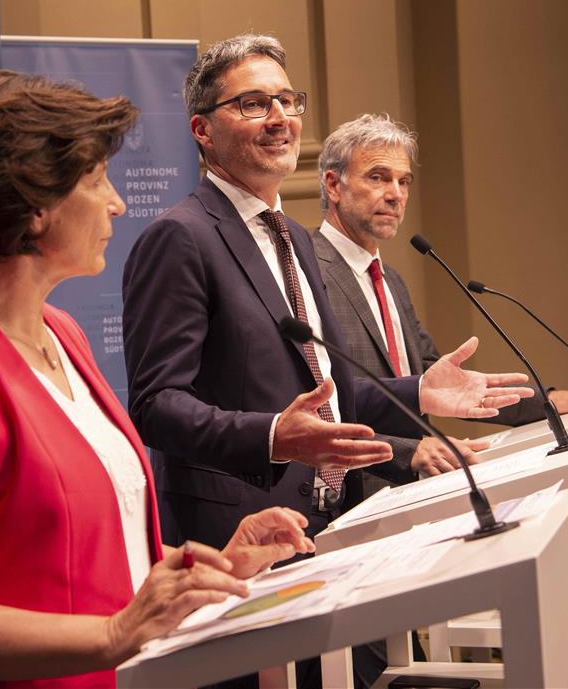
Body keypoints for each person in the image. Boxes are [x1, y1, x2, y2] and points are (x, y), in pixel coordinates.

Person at [0, 69, 316, 689]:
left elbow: (76, 553)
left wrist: (212, 566)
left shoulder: (62, 331)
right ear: (33, 202)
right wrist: (112, 636)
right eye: (96, 180)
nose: (117, 202)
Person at [121, 35, 533, 686]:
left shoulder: (295, 239)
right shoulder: (181, 237)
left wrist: (419, 392)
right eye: (253, 104)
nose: (279, 118)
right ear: (202, 130)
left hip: (327, 527)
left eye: (288, 101)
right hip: (236, 537)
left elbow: (329, 395)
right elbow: (156, 405)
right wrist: (272, 436)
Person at [314, 113, 568, 497]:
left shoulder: (391, 281)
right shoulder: (306, 270)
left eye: (403, 181)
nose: (395, 194)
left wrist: (549, 403)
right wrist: (407, 451)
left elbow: (442, 384)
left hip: (411, 492)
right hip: (347, 493)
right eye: (378, 177)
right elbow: (316, 399)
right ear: (333, 185)